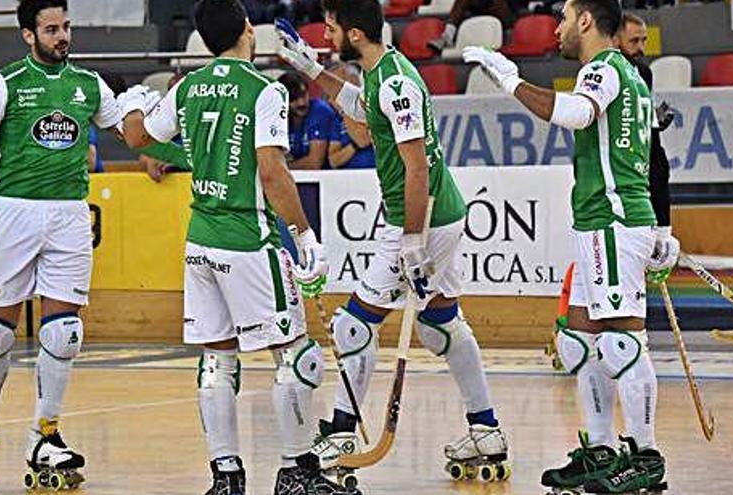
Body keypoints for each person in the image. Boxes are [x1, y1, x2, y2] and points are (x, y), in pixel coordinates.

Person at [121, 1, 355, 494]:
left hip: (201, 243)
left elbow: (140, 137)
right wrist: (304, 235)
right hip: (250, 241)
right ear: (249, 30)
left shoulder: (187, 87)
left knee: (217, 360)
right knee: (296, 357)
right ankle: (296, 474)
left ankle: (226, 478)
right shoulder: (262, 90)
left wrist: (137, 102)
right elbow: (271, 170)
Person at [276, 0, 510, 487]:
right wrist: (313, 68)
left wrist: (409, 239)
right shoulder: (383, 73)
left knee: (354, 326)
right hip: (437, 216)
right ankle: (485, 428)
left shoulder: (396, 82)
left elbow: (418, 165)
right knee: (441, 325)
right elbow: (362, 116)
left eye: (333, 26)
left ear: (355, 33)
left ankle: (342, 432)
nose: (326, 32)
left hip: (420, 218)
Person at [462, 0, 678, 492]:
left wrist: (510, 80)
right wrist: (661, 227)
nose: (557, 29)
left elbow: (578, 115)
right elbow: (648, 158)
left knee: (623, 341)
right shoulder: (630, 76)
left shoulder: (603, 69)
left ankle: (646, 457)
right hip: (608, 222)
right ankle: (601, 449)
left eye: (563, 18)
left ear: (585, 21)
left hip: (613, 222)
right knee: (578, 339)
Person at [0, 0, 122, 491]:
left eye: (66, 27)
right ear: (29, 35)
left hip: (71, 214)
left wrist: (190, 155)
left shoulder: (89, 84)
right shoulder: (5, 82)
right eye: (52, 29)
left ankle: (45, 434)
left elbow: (131, 133)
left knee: (63, 333)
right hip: (13, 211)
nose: (63, 36)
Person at [617, 12, 679, 282]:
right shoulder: (601, 70)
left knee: (659, 162)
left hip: (644, 164)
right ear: (615, 39)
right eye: (634, 41)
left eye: (644, 40)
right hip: (617, 177)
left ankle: (662, 233)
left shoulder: (643, 72)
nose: (642, 48)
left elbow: (653, 151)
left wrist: (652, 121)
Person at [278, 71, 337, 170]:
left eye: (303, 95)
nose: (301, 103)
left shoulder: (319, 110)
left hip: (325, 179)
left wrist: (280, 168)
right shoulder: (278, 116)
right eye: (294, 98)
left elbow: (315, 162)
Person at [325, 62, 375, 169]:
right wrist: (354, 146)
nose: (331, 98)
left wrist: (345, 106)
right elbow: (334, 161)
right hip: (348, 178)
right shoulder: (337, 121)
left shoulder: (372, 105)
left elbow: (363, 137)